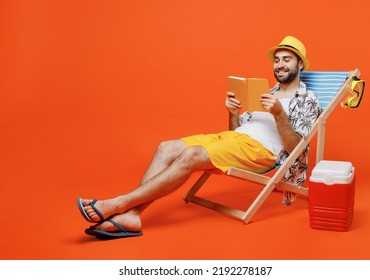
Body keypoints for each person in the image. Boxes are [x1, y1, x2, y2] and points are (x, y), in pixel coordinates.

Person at [77, 35, 322, 239]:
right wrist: (233, 112)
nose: (279, 64)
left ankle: (120, 204)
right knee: (166, 147)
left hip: (260, 152)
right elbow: (236, 131)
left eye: (286, 60)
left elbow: (296, 148)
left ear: (300, 64)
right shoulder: (266, 92)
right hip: (233, 140)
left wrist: (279, 113)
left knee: (191, 155)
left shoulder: (307, 100)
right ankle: (131, 217)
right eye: (277, 60)